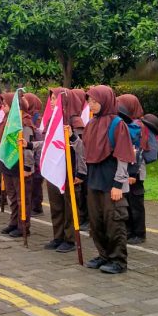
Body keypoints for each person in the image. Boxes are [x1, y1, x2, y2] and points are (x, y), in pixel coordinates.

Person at [83, 85, 135, 274]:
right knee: (96, 222)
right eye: (89, 101)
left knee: (114, 221)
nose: (91, 105)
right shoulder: (91, 124)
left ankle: (118, 260)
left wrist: (118, 185)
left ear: (105, 101)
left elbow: (123, 156)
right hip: (94, 180)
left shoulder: (117, 124)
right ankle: (103, 255)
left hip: (111, 183)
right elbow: (86, 150)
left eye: (95, 101)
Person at [42, 88, 86, 253]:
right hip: (55, 168)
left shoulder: (75, 122)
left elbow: (83, 150)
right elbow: (47, 143)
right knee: (56, 205)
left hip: (70, 171)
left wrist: (80, 173)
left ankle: (70, 239)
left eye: (55, 99)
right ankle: (58, 236)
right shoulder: (52, 120)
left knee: (70, 205)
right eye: (51, 99)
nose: (52, 102)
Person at [0, 92, 35, 238]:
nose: (2, 107)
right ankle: (13, 222)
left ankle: (23, 226)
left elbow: (26, 146)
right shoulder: (7, 120)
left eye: (5, 104)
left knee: (22, 198)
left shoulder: (24, 123)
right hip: (8, 163)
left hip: (19, 164)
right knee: (12, 197)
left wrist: (27, 167)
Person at [117, 94, 150, 245]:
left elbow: (139, 151)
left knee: (136, 203)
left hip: (135, 172)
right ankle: (130, 231)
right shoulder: (127, 123)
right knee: (128, 202)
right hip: (128, 171)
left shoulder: (138, 125)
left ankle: (139, 233)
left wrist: (133, 173)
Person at [70, 88, 90, 230]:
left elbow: (80, 149)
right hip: (77, 165)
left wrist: (80, 171)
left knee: (83, 194)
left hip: (81, 166)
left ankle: (84, 217)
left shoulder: (77, 123)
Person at [24, 93, 45, 216]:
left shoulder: (37, 118)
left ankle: (37, 206)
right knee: (32, 182)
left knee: (36, 181)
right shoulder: (28, 116)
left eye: (26, 100)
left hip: (37, 152)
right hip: (30, 150)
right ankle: (33, 204)